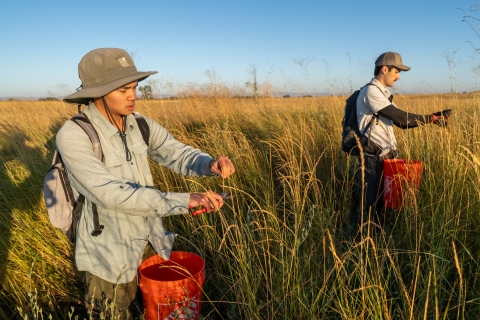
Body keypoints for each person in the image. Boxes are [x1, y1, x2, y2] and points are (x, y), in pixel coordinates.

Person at [58, 48, 235, 319]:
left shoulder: (139, 124)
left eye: (135, 87)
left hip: (151, 241)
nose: (133, 96)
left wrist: (208, 164)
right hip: (107, 255)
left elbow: (175, 152)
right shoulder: (74, 135)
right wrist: (184, 200)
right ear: (97, 93)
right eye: (123, 90)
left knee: (160, 311)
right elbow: (112, 195)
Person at [351, 51, 451, 232]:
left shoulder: (383, 93)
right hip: (372, 161)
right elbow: (400, 118)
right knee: (369, 209)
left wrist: (434, 118)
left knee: (381, 207)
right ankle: (359, 248)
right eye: (397, 72)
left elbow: (403, 123)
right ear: (384, 69)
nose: (398, 77)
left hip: (386, 159)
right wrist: (431, 118)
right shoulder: (371, 91)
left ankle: (375, 246)